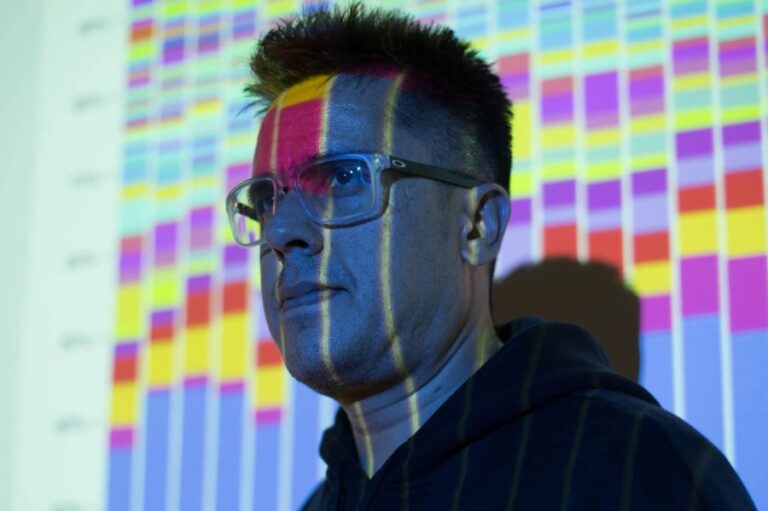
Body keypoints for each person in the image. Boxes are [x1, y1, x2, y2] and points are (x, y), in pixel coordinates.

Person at [225, 3, 756, 509]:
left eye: (343, 178)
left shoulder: (638, 475)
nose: (281, 231)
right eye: (267, 200)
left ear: (478, 226)